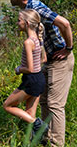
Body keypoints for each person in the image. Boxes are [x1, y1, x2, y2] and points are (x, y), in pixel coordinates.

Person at [5, 0, 74, 147]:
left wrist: (68, 48)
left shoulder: (35, 9)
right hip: (49, 60)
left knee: (55, 104)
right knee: (44, 101)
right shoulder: (29, 10)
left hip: (60, 59)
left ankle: (56, 146)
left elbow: (64, 23)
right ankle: (45, 140)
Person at [3, 9, 48, 138]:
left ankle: (39, 124)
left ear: (27, 23)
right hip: (39, 79)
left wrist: (18, 69)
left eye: (19, 20)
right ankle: (35, 144)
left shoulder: (28, 42)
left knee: (7, 105)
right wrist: (33, 66)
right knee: (28, 114)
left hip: (31, 80)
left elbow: (28, 68)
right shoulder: (38, 40)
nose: (17, 23)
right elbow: (43, 59)